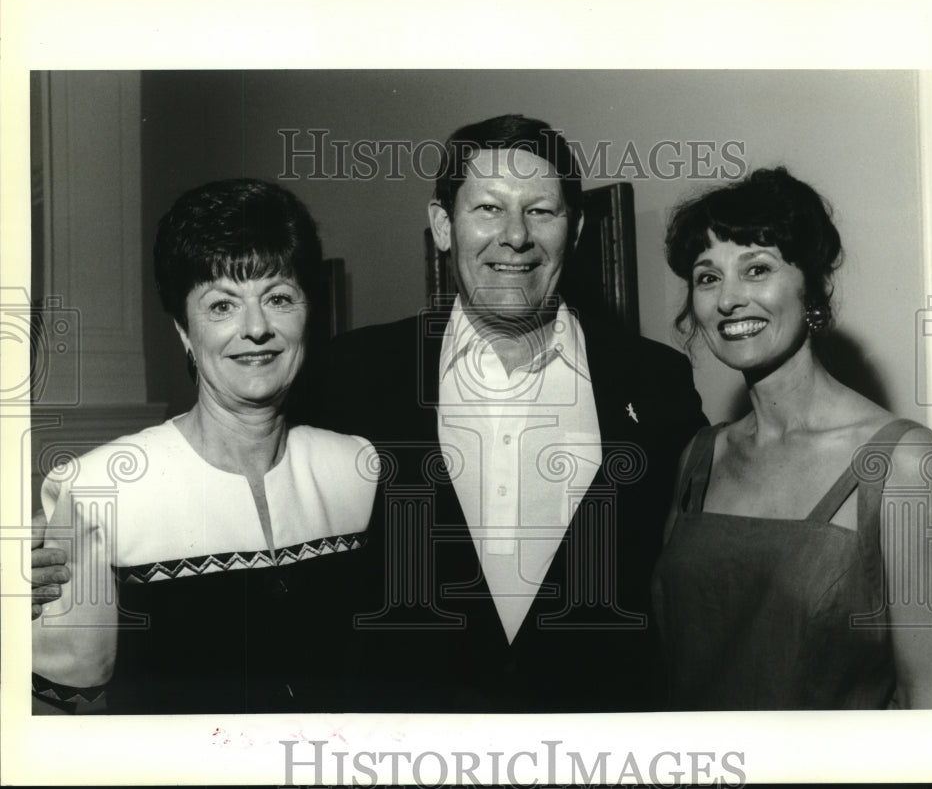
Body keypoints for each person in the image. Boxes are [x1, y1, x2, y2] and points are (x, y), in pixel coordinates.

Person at [307, 115, 707, 711]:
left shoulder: (657, 381)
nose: (515, 236)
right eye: (488, 208)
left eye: (541, 211)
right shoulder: (352, 374)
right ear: (443, 226)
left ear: (574, 231)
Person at [32, 178, 377, 714]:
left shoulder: (358, 468)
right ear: (184, 332)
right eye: (222, 305)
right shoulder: (101, 490)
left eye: (279, 298)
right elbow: (64, 718)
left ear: (308, 313)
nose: (256, 327)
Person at [651, 167, 932, 710]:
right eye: (707, 277)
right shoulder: (701, 456)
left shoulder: (903, 464)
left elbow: (930, 705)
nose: (728, 299)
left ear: (811, 286)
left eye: (756, 269)